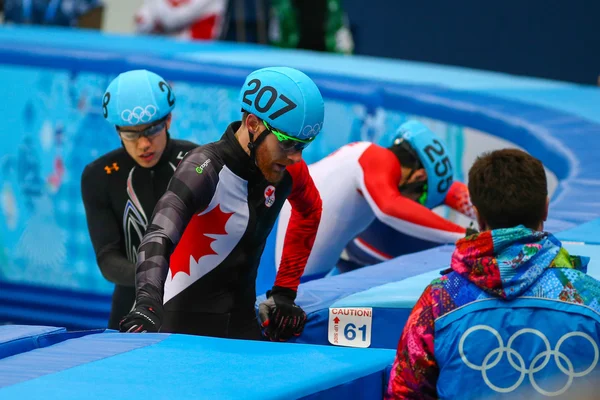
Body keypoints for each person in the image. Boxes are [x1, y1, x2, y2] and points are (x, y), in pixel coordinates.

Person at [119, 66, 324, 342]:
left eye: (303, 145)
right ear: (253, 125)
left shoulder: (289, 170)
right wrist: (147, 302)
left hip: (242, 330)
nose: (296, 157)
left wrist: (285, 291)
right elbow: (159, 235)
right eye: (287, 143)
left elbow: (310, 210)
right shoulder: (203, 167)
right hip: (179, 333)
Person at [386, 149, 600, 399]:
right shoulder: (591, 299)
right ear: (545, 208)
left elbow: (403, 393)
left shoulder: (437, 303)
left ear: (477, 215)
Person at [275, 120, 476, 280]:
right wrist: (467, 236)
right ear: (418, 177)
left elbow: (448, 189)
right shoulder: (377, 159)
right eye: (420, 197)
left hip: (299, 261)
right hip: (298, 275)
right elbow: (389, 209)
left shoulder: (369, 159)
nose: (417, 205)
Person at [81, 69, 197, 330]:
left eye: (152, 130)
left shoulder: (197, 161)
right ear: (117, 130)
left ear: (168, 120)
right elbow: (108, 259)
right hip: (132, 305)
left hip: (192, 300)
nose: (144, 144)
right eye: (132, 134)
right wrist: (153, 280)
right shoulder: (98, 175)